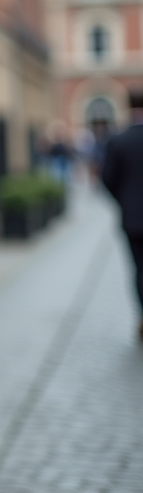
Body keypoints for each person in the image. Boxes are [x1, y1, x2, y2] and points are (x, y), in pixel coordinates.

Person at [100, 88, 143, 340]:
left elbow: (107, 178)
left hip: (133, 218)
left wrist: (124, 201)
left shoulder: (118, 140)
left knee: (140, 268)